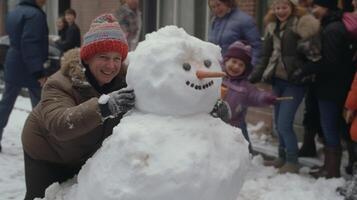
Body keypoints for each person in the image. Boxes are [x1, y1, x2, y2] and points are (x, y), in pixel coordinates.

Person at [21, 13, 135, 200]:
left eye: (117, 58)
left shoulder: (124, 81)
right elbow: (59, 124)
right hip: (47, 153)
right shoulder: (59, 83)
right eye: (103, 57)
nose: (111, 65)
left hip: (83, 154)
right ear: (88, 58)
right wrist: (104, 108)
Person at [249, 0, 321, 174]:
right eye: (277, 7)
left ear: (292, 7)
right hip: (277, 80)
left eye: (284, 7)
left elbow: (314, 54)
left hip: (294, 82)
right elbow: (266, 55)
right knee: (277, 123)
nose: (280, 11)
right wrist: (255, 75)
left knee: (284, 123)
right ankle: (281, 157)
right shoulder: (272, 26)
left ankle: (292, 161)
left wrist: (301, 71)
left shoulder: (300, 24)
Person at [308, 0, 356, 178]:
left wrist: (309, 68)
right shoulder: (335, 25)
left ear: (326, 7)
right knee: (337, 127)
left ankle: (332, 169)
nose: (313, 10)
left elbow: (330, 62)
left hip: (330, 87)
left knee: (329, 126)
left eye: (316, 6)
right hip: (338, 86)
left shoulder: (332, 29)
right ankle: (333, 166)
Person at [0, 0, 48, 152]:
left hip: (13, 62)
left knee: (6, 104)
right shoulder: (34, 15)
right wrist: (38, 72)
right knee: (40, 107)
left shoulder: (15, 11)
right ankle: (42, 142)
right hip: (28, 66)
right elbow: (30, 43)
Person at [220, 41, 277, 153]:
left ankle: (247, 158)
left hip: (234, 126)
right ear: (226, 60)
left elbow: (255, 95)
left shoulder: (244, 86)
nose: (236, 66)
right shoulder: (216, 75)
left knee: (240, 150)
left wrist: (265, 98)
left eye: (241, 65)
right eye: (234, 61)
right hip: (211, 123)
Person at [207, 0, 262, 66]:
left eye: (218, 5)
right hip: (217, 68)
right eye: (213, 7)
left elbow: (256, 47)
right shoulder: (214, 21)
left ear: (227, 2)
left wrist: (251, 68)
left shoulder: (244, 20)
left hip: (237, 70)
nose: (216, 9)